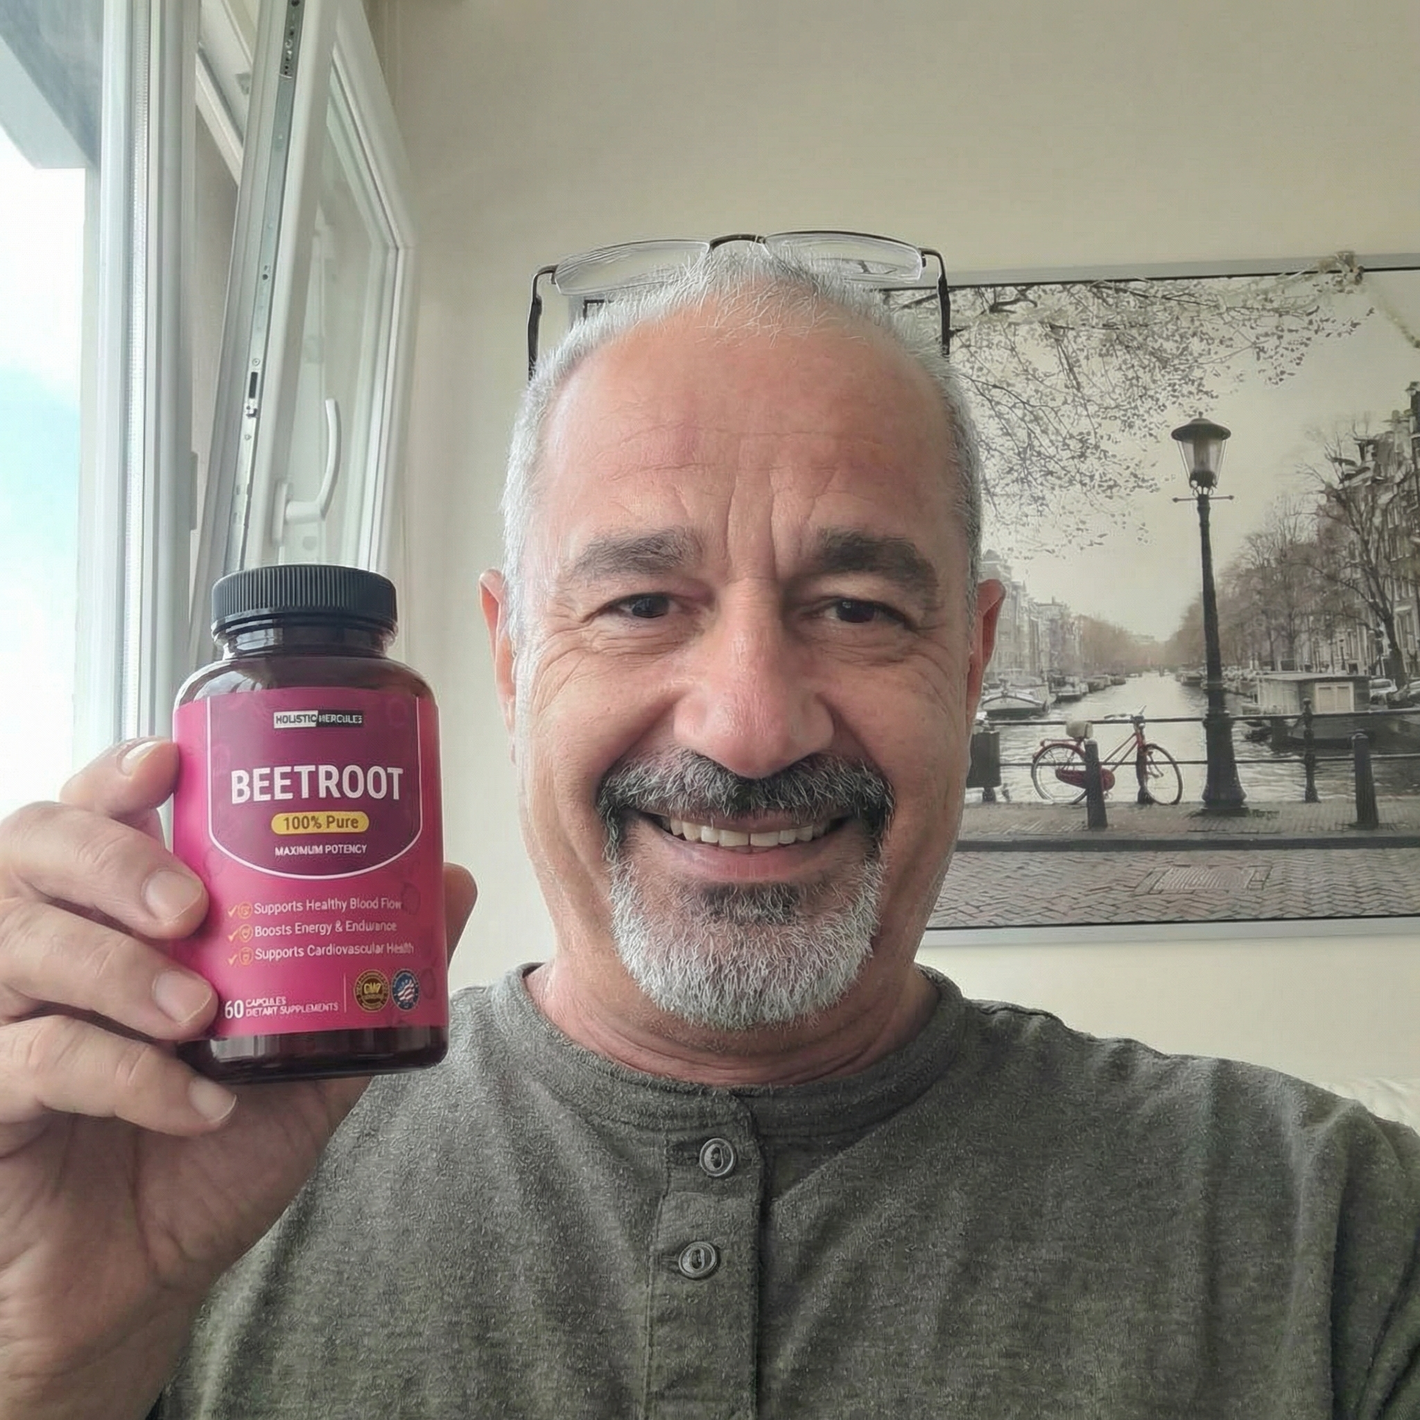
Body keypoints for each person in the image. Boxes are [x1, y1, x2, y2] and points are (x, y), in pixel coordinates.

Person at [0, 240, 1416, 1420]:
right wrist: (46, 1370)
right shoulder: (155, 1208)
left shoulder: (1339, 1235)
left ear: (974, 658)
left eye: (856, 609)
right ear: (510, 660)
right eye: (638, 604)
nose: (749, 728)